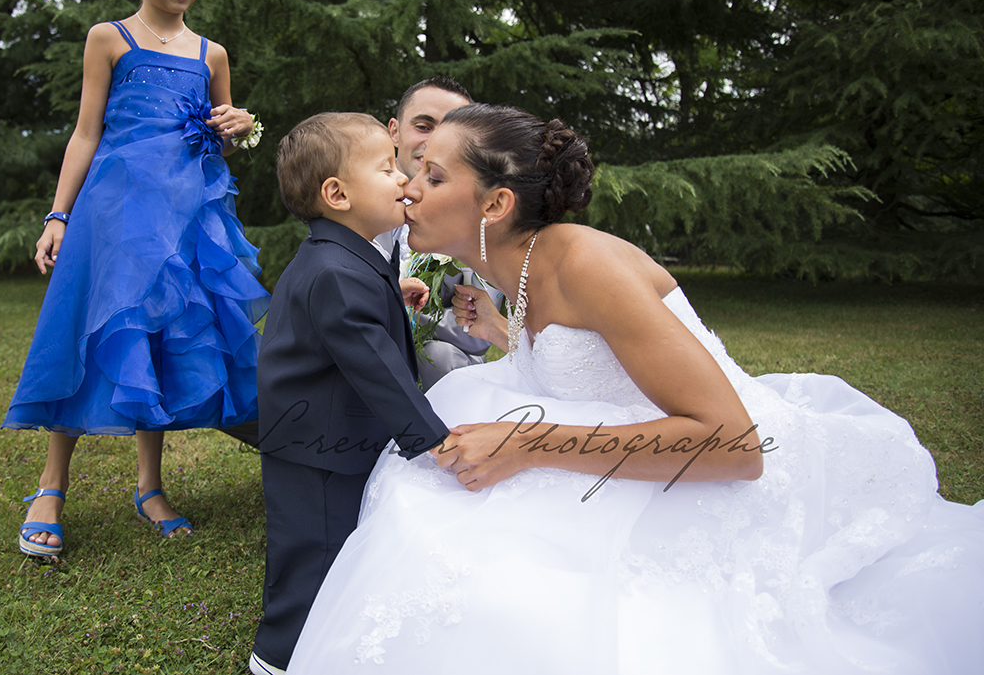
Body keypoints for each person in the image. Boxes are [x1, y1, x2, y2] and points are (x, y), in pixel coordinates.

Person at [287, 103, 984, 673]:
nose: (408, 187)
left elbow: (737, 446)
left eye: (432, 176)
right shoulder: (511, 265)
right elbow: (577, 361)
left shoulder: (587, 263)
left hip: (728, 473)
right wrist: (502, 334)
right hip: (624, 444)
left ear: (495, 203)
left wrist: (525, 443)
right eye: (412, 169)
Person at [2, 0, 270, 559]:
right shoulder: (109, 39)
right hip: (115, 213)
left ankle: (150, 487)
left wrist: (239, 126)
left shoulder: (211, 54)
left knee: (157, 339)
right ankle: (51, 487)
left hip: (183, 218)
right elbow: (85, 132)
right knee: (93, 328)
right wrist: (58, 215)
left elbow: (217, 141)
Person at [249, 112, 450, 675]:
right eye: (387, 169)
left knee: (340, 542)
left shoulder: (347, 256)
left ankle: (329, 631)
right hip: (317, 444)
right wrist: (432, 440)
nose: (403, 177)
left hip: (329, 432)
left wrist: (391, 293)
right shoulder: (337, 272)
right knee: (312, 549)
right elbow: (376, 367)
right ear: (337, 194)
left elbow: (355, 310)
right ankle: (278, 655)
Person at [374, 77, 506, 388]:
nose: (434, 142)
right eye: (423, 126)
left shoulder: (480, 218)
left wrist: (399, 308)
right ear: (394, 131)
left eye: (450, 132)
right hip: (358, 362)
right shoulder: (359, 203)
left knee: (439, 354)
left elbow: (475, 338)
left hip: (445, 376)